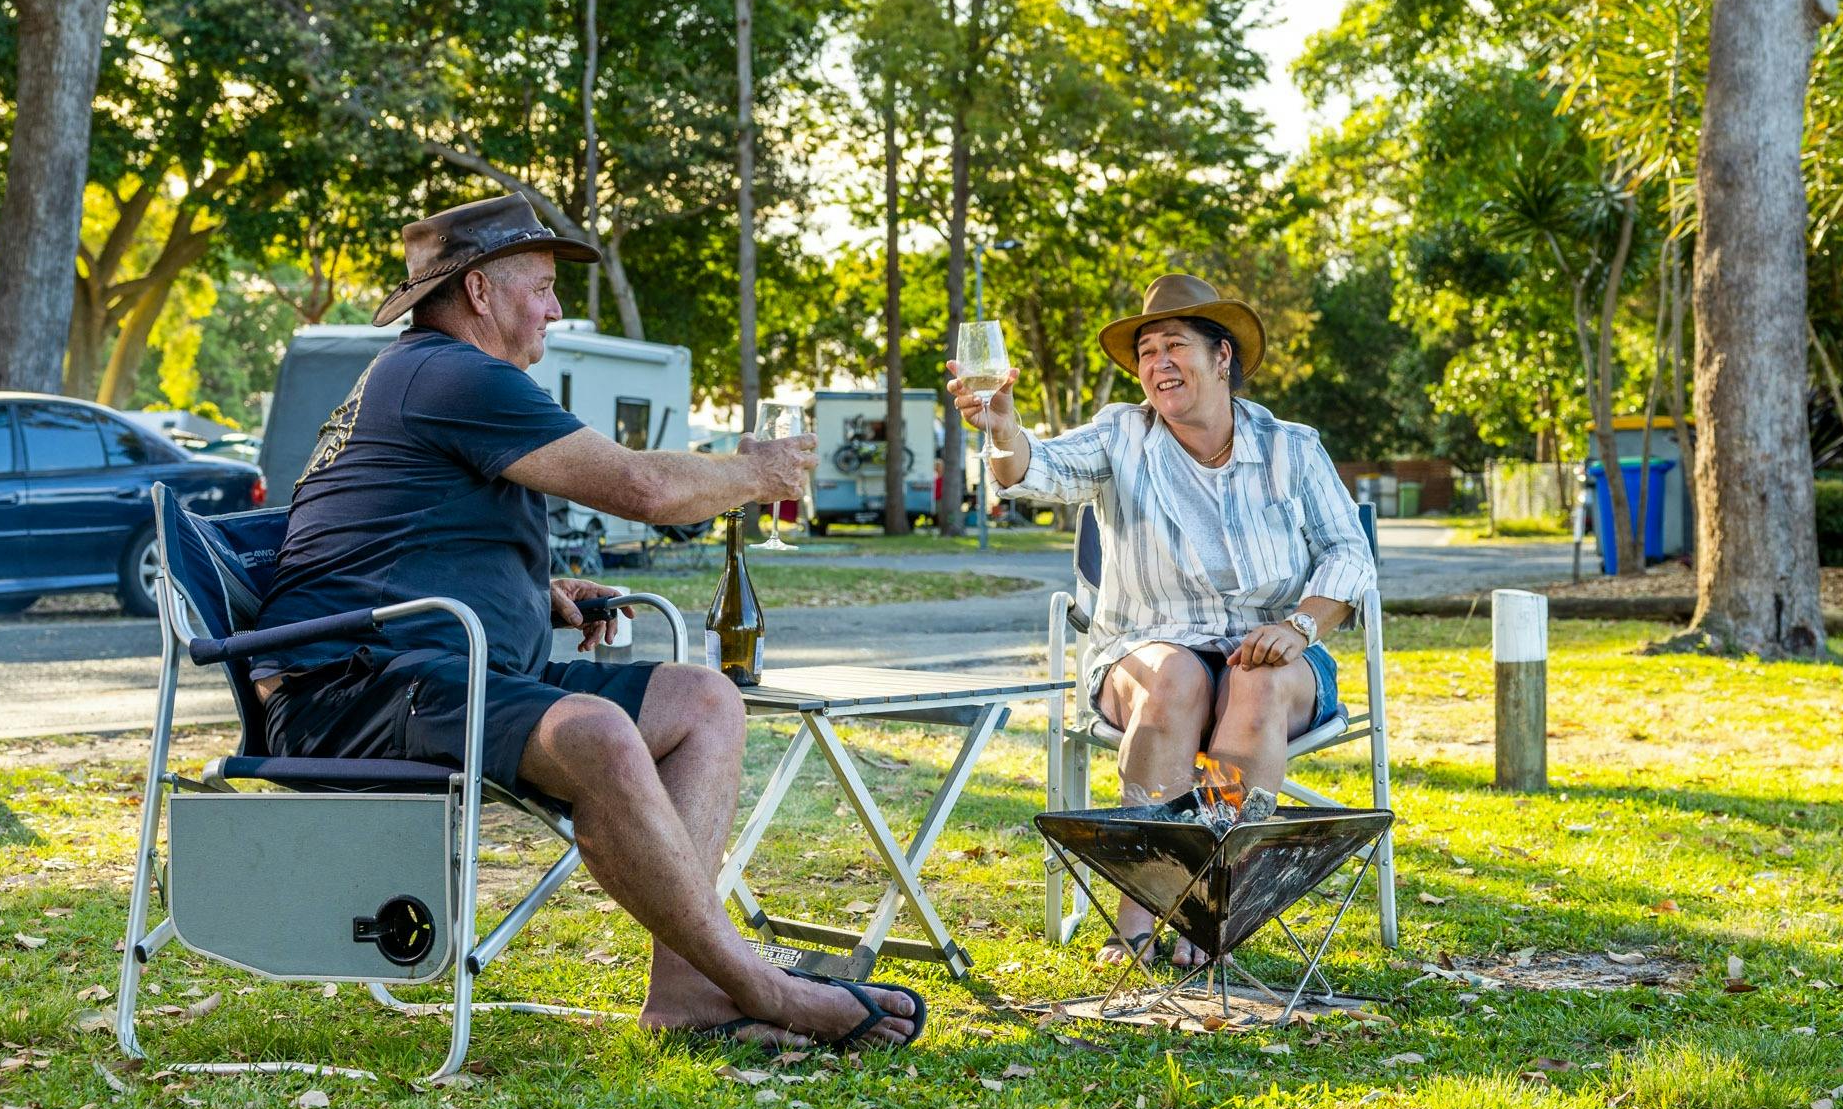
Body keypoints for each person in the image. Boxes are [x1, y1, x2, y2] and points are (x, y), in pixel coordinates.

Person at [252, 193, 922, 1051]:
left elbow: (393, 537)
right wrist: (756, 472)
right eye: (541, 286)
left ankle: (688, 994)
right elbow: (642, 488)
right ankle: (764, 987)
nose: (556, 308)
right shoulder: (452, 372)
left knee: (705, 700)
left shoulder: (426, 375)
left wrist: (535, 591)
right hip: (347, 687)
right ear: (480, 291)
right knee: (598, 733)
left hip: (432, 666)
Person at [946, 273, 1375, 970]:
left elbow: (1349, 553)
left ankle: (1212, 910)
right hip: (1147, 649)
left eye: (1175, 345)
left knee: (1257, 680)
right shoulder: (1121, 435)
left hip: (1275, 649)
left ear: (1222, 356)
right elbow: (1036, 470)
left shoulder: (1292, 447)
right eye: (1146, 352)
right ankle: (1139, 913)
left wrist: (1300, 625)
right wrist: (1003, 431)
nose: (1158, 364)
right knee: (1175, 675)